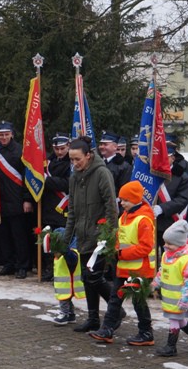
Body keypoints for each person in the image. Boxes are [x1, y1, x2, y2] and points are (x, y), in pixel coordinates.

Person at [89, 181, 157, 346]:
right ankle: (107, 329)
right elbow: (121, 239)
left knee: (138, 301)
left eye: (126, 200)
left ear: (135, 199)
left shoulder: (143, 219)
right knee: (115, 298)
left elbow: (145, 247)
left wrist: (121, 253)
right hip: (124, 267)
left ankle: (146, 332)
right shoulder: (125, 216)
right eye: (121, 199)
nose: (122, 203)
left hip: (139, 269)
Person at [63, 137, 117, 333]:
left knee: (94, 277)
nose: (75, 163)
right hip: (83, 235)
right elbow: (73, 212)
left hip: (99, 236)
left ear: (88, 155)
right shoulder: (74, 177)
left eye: (78, 159)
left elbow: (111, 207)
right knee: (87, 278)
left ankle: (116, 310)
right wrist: (65, 240)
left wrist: (109, 236)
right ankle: (93, 317)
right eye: (72, 160)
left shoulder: (102, 173)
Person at [152, 220, 188, 356]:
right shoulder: (166, 255)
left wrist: (185, 299)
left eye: (170, 243)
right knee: (179, 320)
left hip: (181, 299)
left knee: (174, 321)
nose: (166, 246)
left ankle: (171, 347)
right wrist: (155, 283)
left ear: (180, 243)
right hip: (170, 299)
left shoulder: (187, 260)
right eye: (165, 242)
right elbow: (162, 271)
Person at [0, 122, 33, 279]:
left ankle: (22, 265)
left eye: (6, 134)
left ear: (12, 134)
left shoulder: (20, 151)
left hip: (17, 200)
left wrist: (27, 199)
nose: (3, 137)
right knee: (4, 235)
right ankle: (8, 263)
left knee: (19, 235)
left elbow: (27, 177)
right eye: (0, 134)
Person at [41, 134, 72, 282]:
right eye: (57, 149)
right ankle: (49, 268)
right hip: (48, 206)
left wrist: (48, 181)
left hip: (63, 207)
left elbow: (67, 184)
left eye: (62, 148)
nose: (59, 152)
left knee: (61, 239)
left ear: (68, 147)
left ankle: (62, 268)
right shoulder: (47, 162)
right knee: (48, 238)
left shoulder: (71, 163)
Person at [154, 140, 188, 253]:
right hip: (152, 222)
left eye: (166, 157)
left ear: (173, 158)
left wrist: (162, 208)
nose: (163, 161)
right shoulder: (152, 174)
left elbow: (182, 199)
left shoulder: (182, 177)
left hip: (170, 222)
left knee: (169, 255)